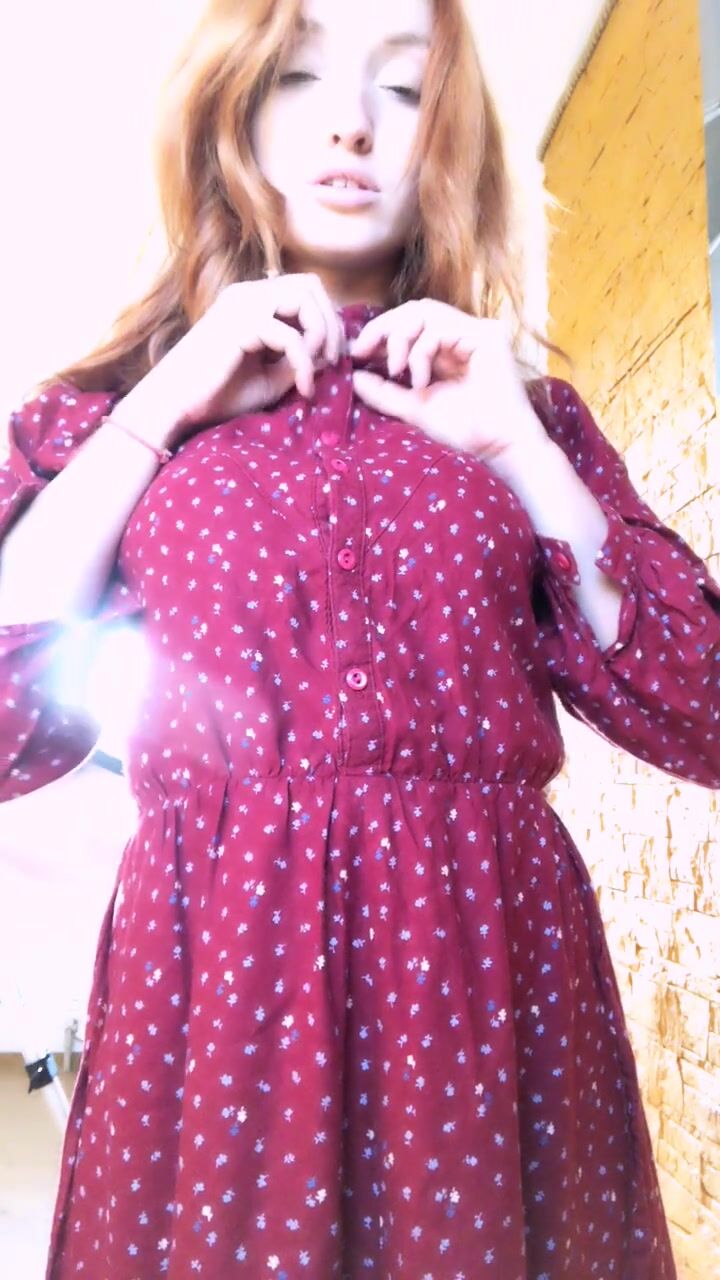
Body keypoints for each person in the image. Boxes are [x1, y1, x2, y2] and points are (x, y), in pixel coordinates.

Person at [1, 0, 717, 1274]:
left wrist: (517, 446)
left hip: (490, 967)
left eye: (405, 86)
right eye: (298, 76)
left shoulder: (525, 414)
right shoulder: (105, 419)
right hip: (219, 975)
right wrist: (161, 408)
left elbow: (700, 704)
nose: (350, 124)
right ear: (231, 111)